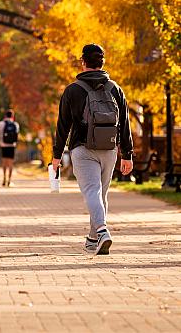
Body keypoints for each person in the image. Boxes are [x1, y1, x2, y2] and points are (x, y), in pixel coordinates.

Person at [51, 44, 134, 255]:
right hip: (109, 149)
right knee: (100, 194)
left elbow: (63, 125)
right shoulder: (115, 88)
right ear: (102, 62)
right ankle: (92, 239)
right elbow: (124, 122)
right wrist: (127, 153)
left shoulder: (73, 90)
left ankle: (103, 231)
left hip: (82, 148)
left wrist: (56, 156)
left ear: (83, 62)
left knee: (92, 192)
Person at [0, 110, 20, 187]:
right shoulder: (15, 124)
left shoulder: (2, 123)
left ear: (5, 116)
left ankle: (4, 178)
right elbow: (17, 135)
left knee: (4, 162)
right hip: (12, 145)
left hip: (3, 145)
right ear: (12, 116)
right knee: (10, 163)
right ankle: (9, 180)